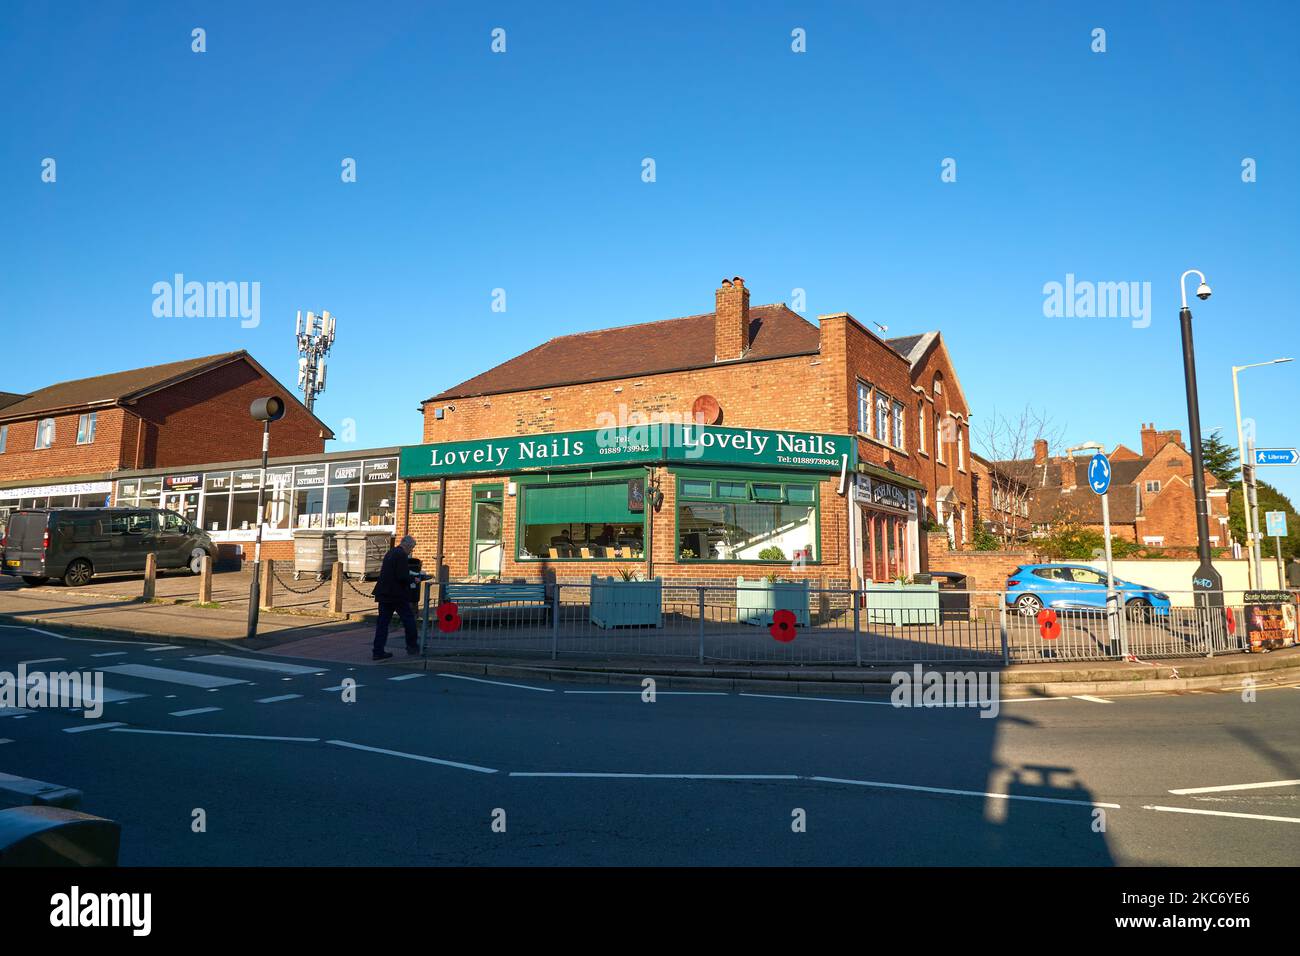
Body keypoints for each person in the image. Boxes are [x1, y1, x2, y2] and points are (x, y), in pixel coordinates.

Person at [372, 534, 419, 660]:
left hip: (383, 593)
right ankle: (412, 646)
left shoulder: (391, 552)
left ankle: (378, 651)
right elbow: (402, 576)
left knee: (383, 623)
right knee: (408, 619)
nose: (411, 551)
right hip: (396, 594)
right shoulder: (401, 555)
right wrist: (413, 579)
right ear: (407, 545)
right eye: (412, 548)